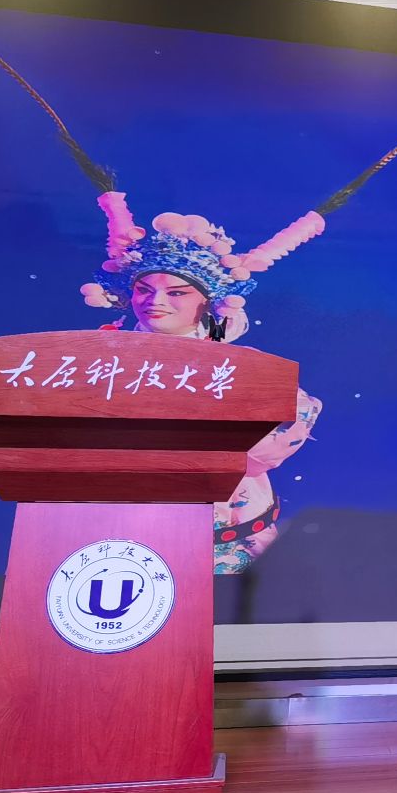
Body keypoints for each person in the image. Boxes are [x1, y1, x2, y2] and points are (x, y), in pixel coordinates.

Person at [81, 195, 324, 574]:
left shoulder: (241, 368)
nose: (156, 301)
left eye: (177, 292)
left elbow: (271, 447)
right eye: (144, 289)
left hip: (221, 535)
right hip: (110, 534)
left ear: (207, 303)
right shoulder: (92, 360)